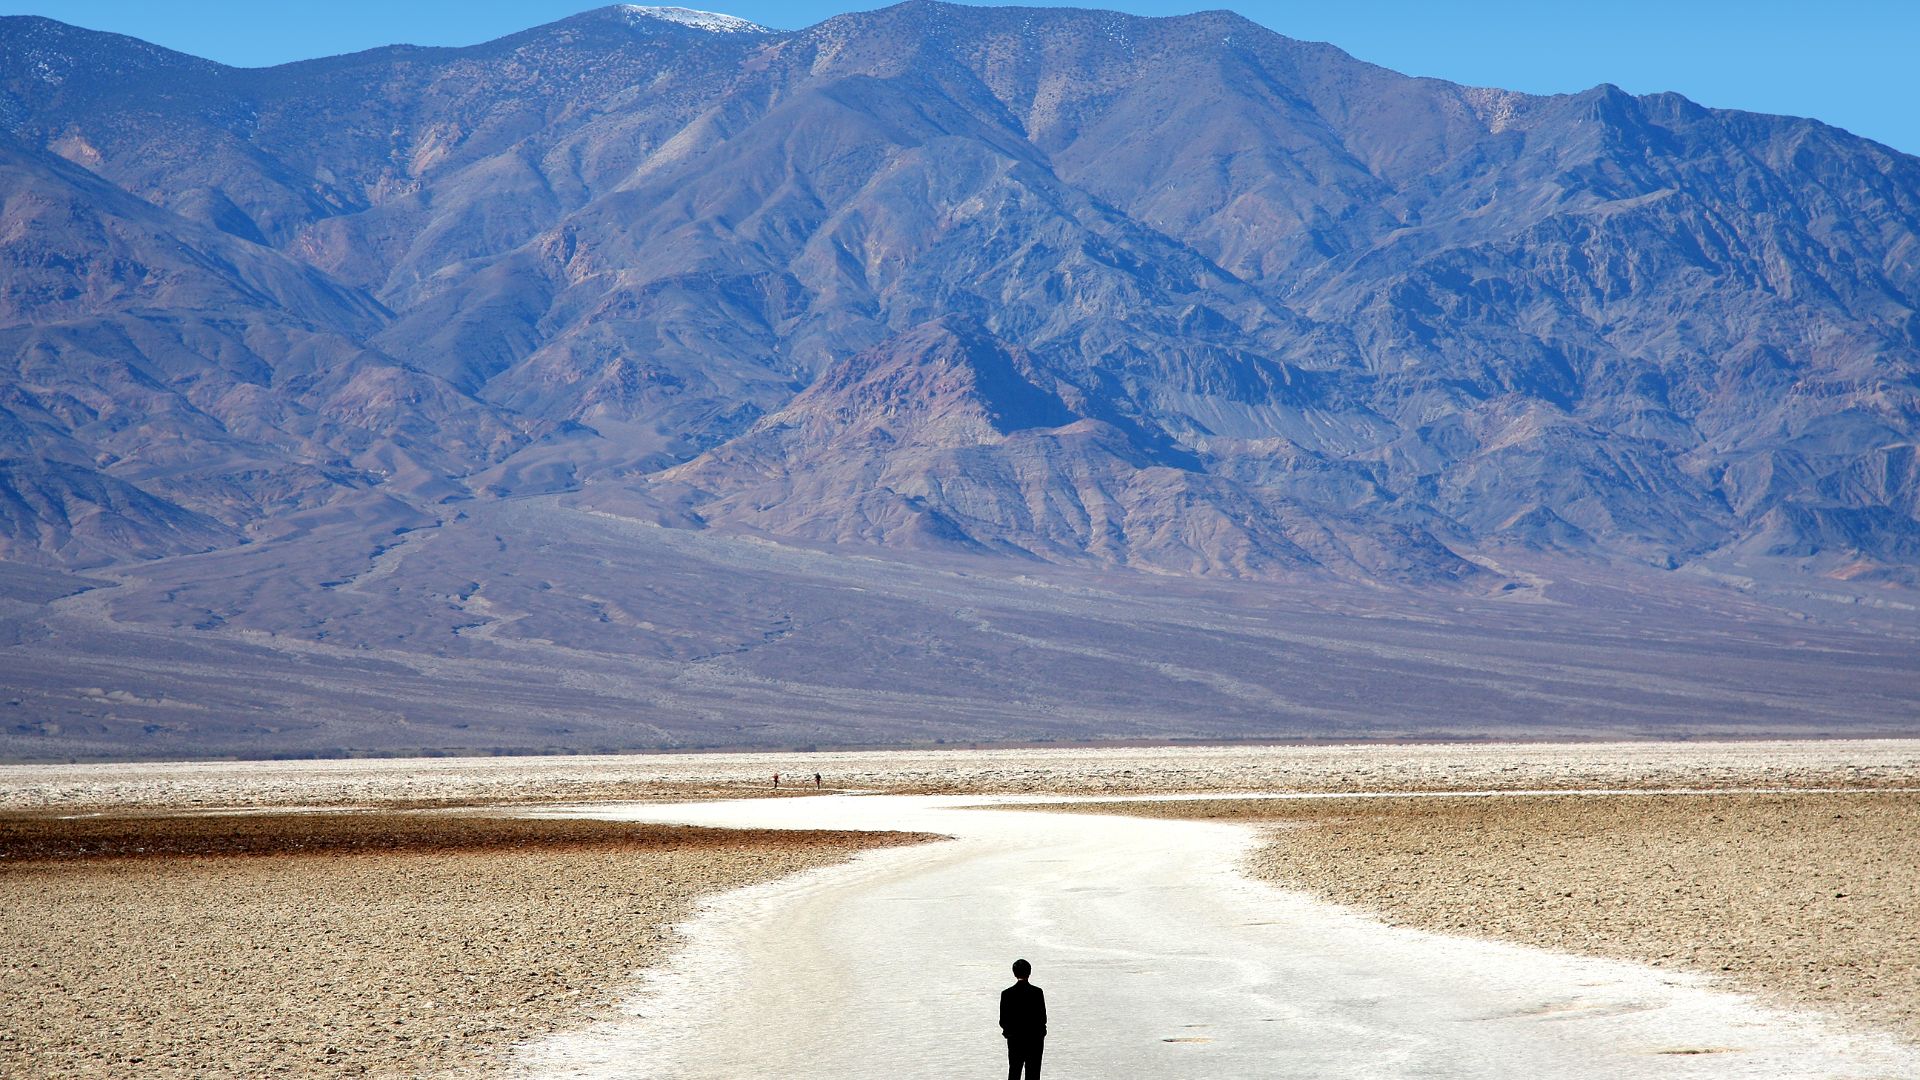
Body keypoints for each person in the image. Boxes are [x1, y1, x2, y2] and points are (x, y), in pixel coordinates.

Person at [999, 958, 1046, 1079]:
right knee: (1033, 1074)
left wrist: (1008, 1034)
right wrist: (1041, 1034)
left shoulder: (1006, 994)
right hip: (1035, 1040)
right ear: (1029, 972)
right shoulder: (1037, 992)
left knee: (1014, 1071)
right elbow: (1042, 1018)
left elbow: (1003, 1020)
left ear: (1014, 973)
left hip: (1015, 1040)